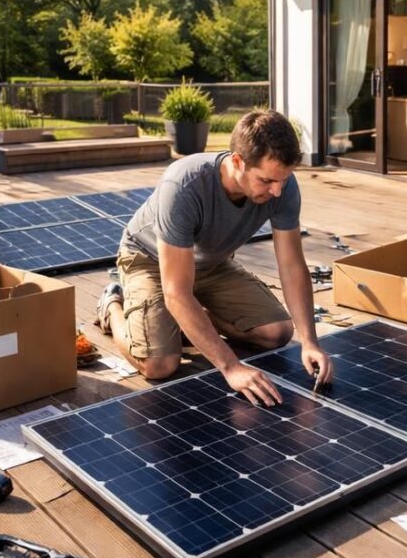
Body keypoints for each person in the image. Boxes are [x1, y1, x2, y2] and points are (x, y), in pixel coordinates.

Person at [95, 110, 332, 406]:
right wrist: (231, 367)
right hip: (150, 260)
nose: (277, 190)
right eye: (267, 180)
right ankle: (112, 303)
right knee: (159, 364)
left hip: (211, 262)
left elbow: (292, 266)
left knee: (277, 332)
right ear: (237, 162)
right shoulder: (184, 186)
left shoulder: (282, 186)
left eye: (283, 180)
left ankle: (188, 322)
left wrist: (310, 342)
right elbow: (177, 292)